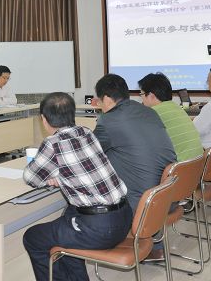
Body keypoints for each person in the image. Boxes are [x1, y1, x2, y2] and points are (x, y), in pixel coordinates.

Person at [23, 92, 130, 281]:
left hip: (99, 229)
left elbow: (31, 178)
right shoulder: (87, 132)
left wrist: (54, 175)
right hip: (125, 217)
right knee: (67, 218)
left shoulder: (53, 143)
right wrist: (60, 174)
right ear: (72, 115)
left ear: (44, 119)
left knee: (33, 238)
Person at [93, 74, 176, 259]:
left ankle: (136, 243)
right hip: (166, 197)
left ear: (107, 99)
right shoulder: (149, 112)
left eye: (99, 101)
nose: (100, 106)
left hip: (143, 206)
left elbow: (89, 155)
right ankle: (154, 245)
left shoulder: (109, 120)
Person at [138, 73, 203, 161]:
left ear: (151, 95)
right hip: (197, 163)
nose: (141, 99)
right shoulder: (176, 107)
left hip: (178, 167)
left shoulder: (153, 113)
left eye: (141, 94)